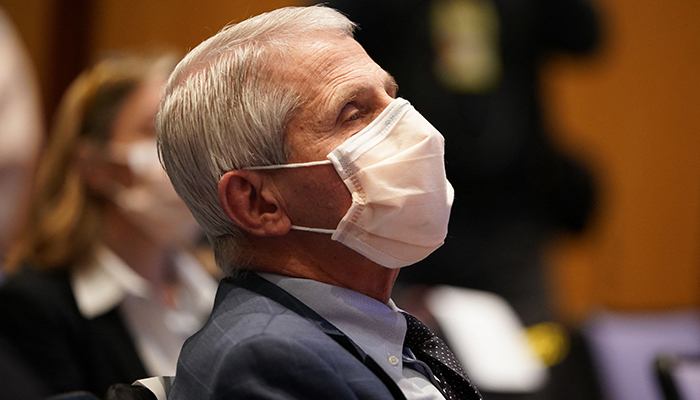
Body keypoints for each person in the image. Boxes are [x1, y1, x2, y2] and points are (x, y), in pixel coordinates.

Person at [156, 5, 481, 400]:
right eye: (354, 113)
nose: (412, 127)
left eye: (392, 97)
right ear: (259, 203)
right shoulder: (268, 361)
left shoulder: (374, 329)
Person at [0, 52, 218, 398]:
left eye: (188, 133)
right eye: (155, 131)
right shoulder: (33, 307)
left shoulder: (222, 287)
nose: (185, 155)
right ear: (94, 167)